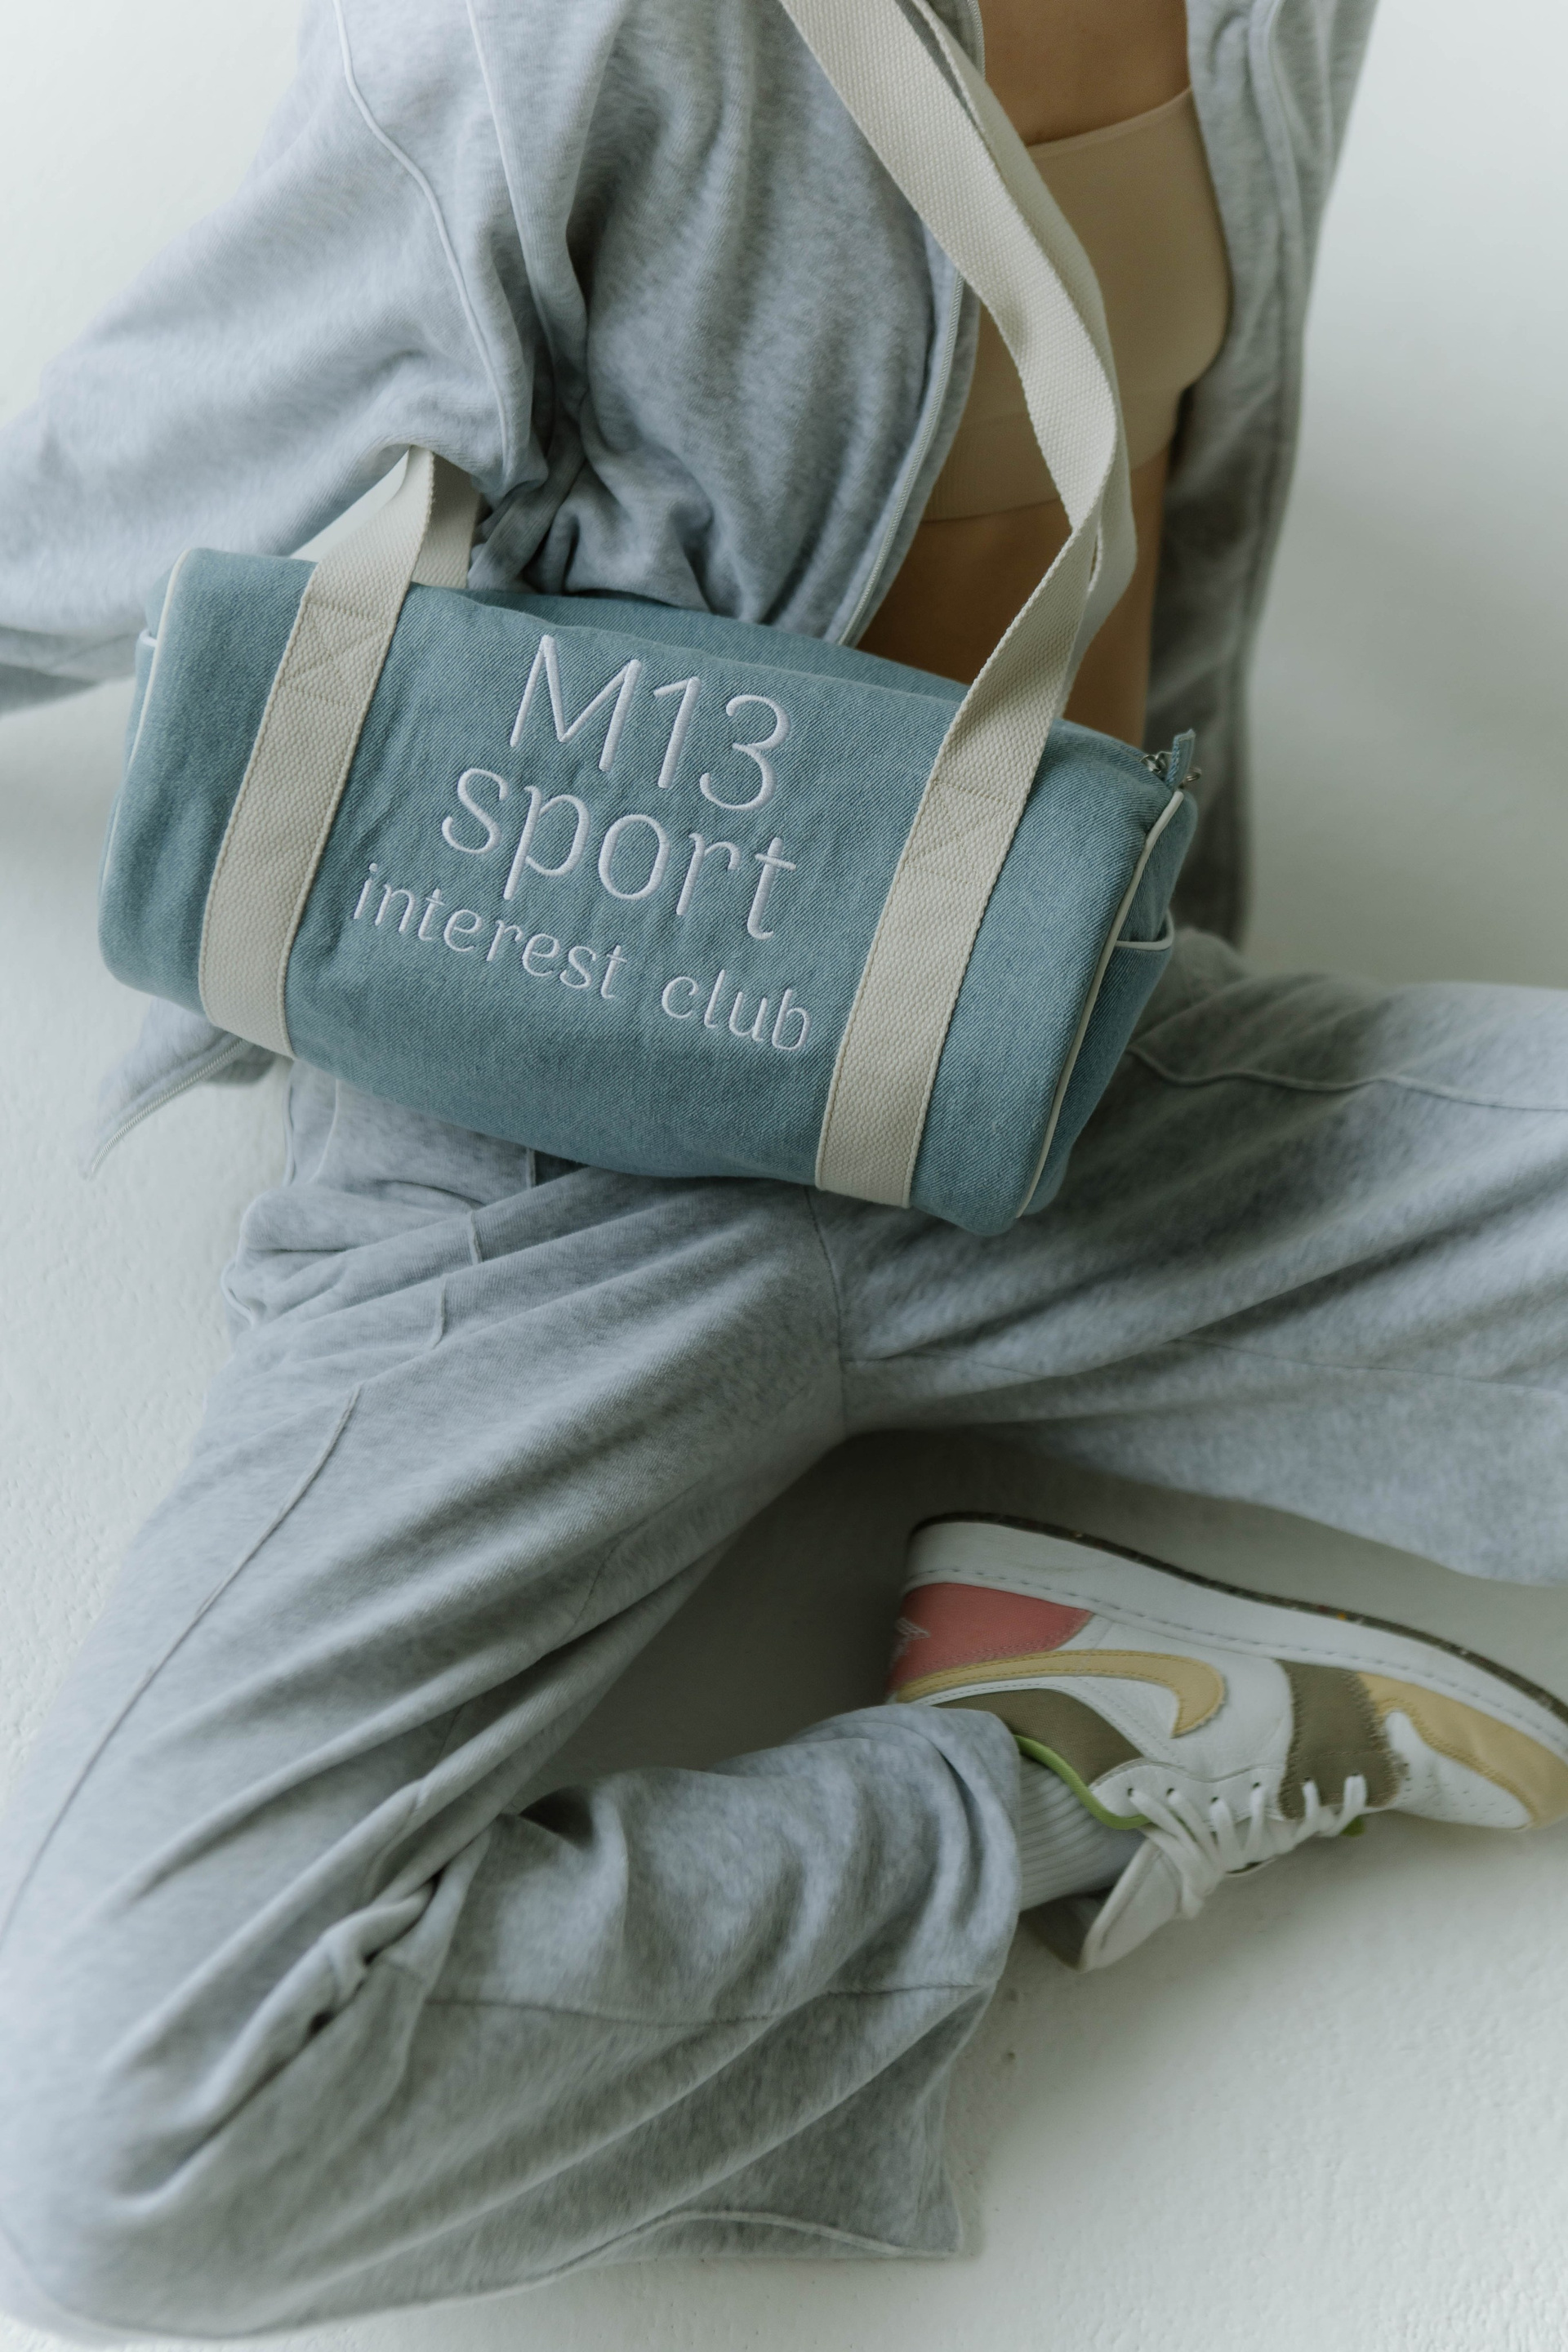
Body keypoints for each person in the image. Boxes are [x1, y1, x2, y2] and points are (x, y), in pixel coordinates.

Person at [2, 0, 1566, 2336]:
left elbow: (1186, 500)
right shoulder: (567, 32)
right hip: (545, 1161)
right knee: (115, 2142)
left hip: (1052, 1074)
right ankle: (1068, 1761)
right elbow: (99, 489)